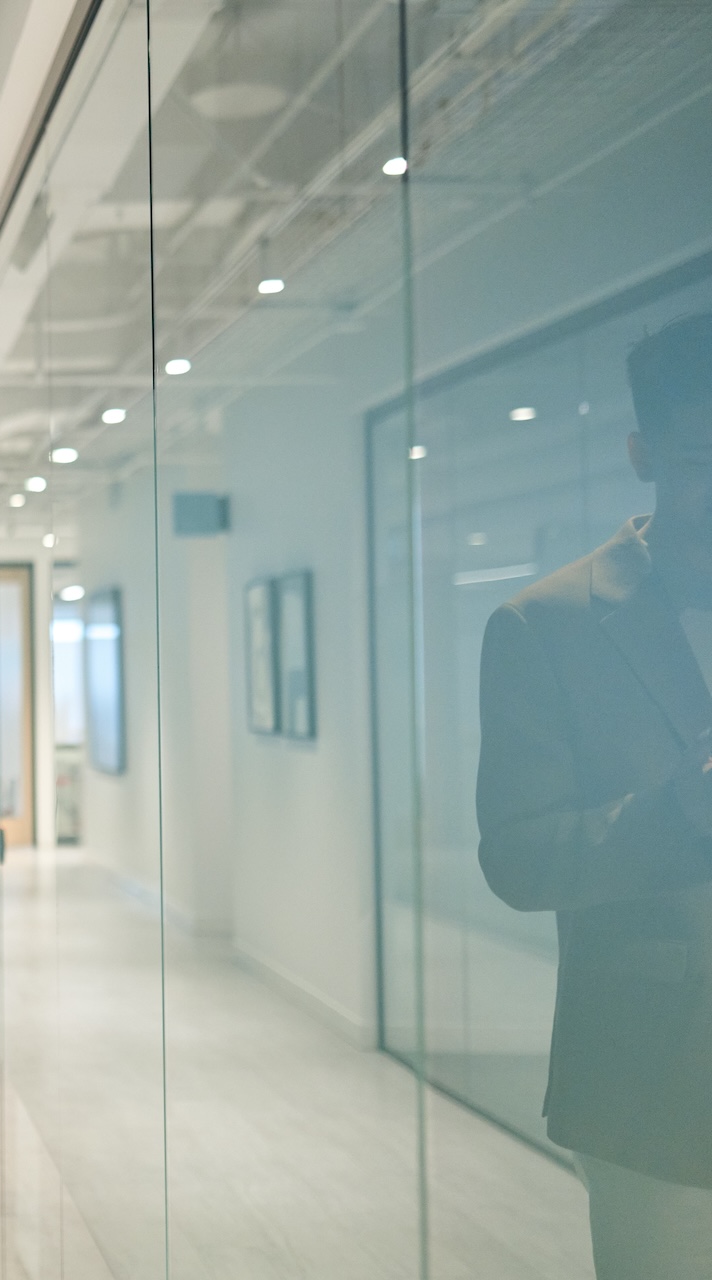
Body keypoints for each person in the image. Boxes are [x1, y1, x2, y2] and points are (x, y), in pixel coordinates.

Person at [476, 311, 712, 1279]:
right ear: (641, 452)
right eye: (706, 454)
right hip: (658, 1086)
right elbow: (520, 856)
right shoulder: (548, 623)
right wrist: (689, 808)